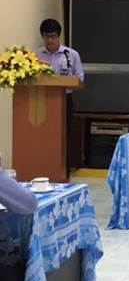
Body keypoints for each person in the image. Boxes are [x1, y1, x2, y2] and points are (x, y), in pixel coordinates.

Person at [35, 18, 84, 175]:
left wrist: (65, 81)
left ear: (59, 36)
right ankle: (43, 167)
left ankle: (63, 170)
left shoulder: (71, 55)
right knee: (44, 135)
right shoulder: (36, 55)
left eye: (53, 36)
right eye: (46, 36)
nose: (50, 40)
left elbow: (80, 78)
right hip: (42, 102)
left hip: (64, 100)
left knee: (64, 135)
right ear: (42, 36)